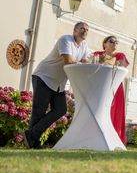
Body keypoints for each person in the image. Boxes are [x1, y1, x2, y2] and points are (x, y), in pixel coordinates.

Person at [25, 21, 91, 149]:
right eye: (82, 28)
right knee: (39, 112)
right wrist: (80, 62)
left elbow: (85, 61)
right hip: (44, 77)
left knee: (61, 110)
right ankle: (33, 142)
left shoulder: (84, 45)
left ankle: (31, 135)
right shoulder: (65, 40)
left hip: (59, 83)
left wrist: (81, 61)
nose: (85, 31)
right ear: (75, 30)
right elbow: (68, 61)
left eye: (87, 30)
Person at [93, 35, 129, 145]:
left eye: (116, 42)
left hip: (115, 87)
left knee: (114, 111)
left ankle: (113, 138)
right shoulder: (97, 54)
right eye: (111, 41)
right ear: (105, 44)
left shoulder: (120, 55)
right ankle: (96, 136)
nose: (114, 43)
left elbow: (122, 69)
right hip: (100, 86)